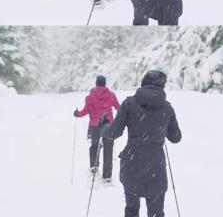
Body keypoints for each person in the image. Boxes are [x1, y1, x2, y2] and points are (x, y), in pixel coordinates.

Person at [105, 70, 182, 217]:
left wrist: (105, 128)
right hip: (156, 166)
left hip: (132, 163)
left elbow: (113, 133)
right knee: (156, 213)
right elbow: (176, 137)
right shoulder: (167, 108)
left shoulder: (129, 104)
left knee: (132, 209)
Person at [73, 75, 120, 182]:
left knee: (94, 146)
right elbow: (119, 108)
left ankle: (94, 166)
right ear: (105, 83)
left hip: (95, 125)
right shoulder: (111, 95)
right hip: (108, 125)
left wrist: (77, 114)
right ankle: (107, 175)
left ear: (96, 83)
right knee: (108, 149)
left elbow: (85, 111)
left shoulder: (91, 96)